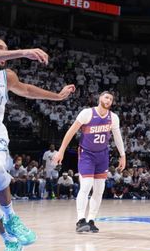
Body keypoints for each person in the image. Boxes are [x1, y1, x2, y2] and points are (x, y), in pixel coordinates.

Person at [0, 39, 75, 251]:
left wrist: (57, 97)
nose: (2, 52)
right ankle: (10, 241)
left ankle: (11, 218)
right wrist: (23, 51)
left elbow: (27, 90)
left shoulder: (6, 76)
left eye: (4, 48)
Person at [54, 92, 126, 233]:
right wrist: (61, 150)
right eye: (106, 97)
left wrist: (123, 155)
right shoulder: (87, 113)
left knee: (99, 190)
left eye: (111, 99)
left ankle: (91, 220)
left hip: (103, 155)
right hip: (86, 154)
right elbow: (70, 132)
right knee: (86, 185)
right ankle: (80, 220)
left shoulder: (113, 117)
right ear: (100, 99)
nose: (109, 100)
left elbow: (118, 138)